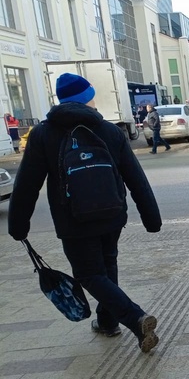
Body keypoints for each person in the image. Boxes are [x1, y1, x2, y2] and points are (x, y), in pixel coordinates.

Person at [7, 72, 162, 352]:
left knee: (90, 274)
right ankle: (107, 321)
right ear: (89, 98)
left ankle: (134, 317)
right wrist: (151, 217)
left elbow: (27, 184)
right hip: (112, 214)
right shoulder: (109, 130)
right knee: (106, 265)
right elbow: (135, 177)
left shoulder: (43, 134)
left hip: (73, 219)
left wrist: (18, 225)